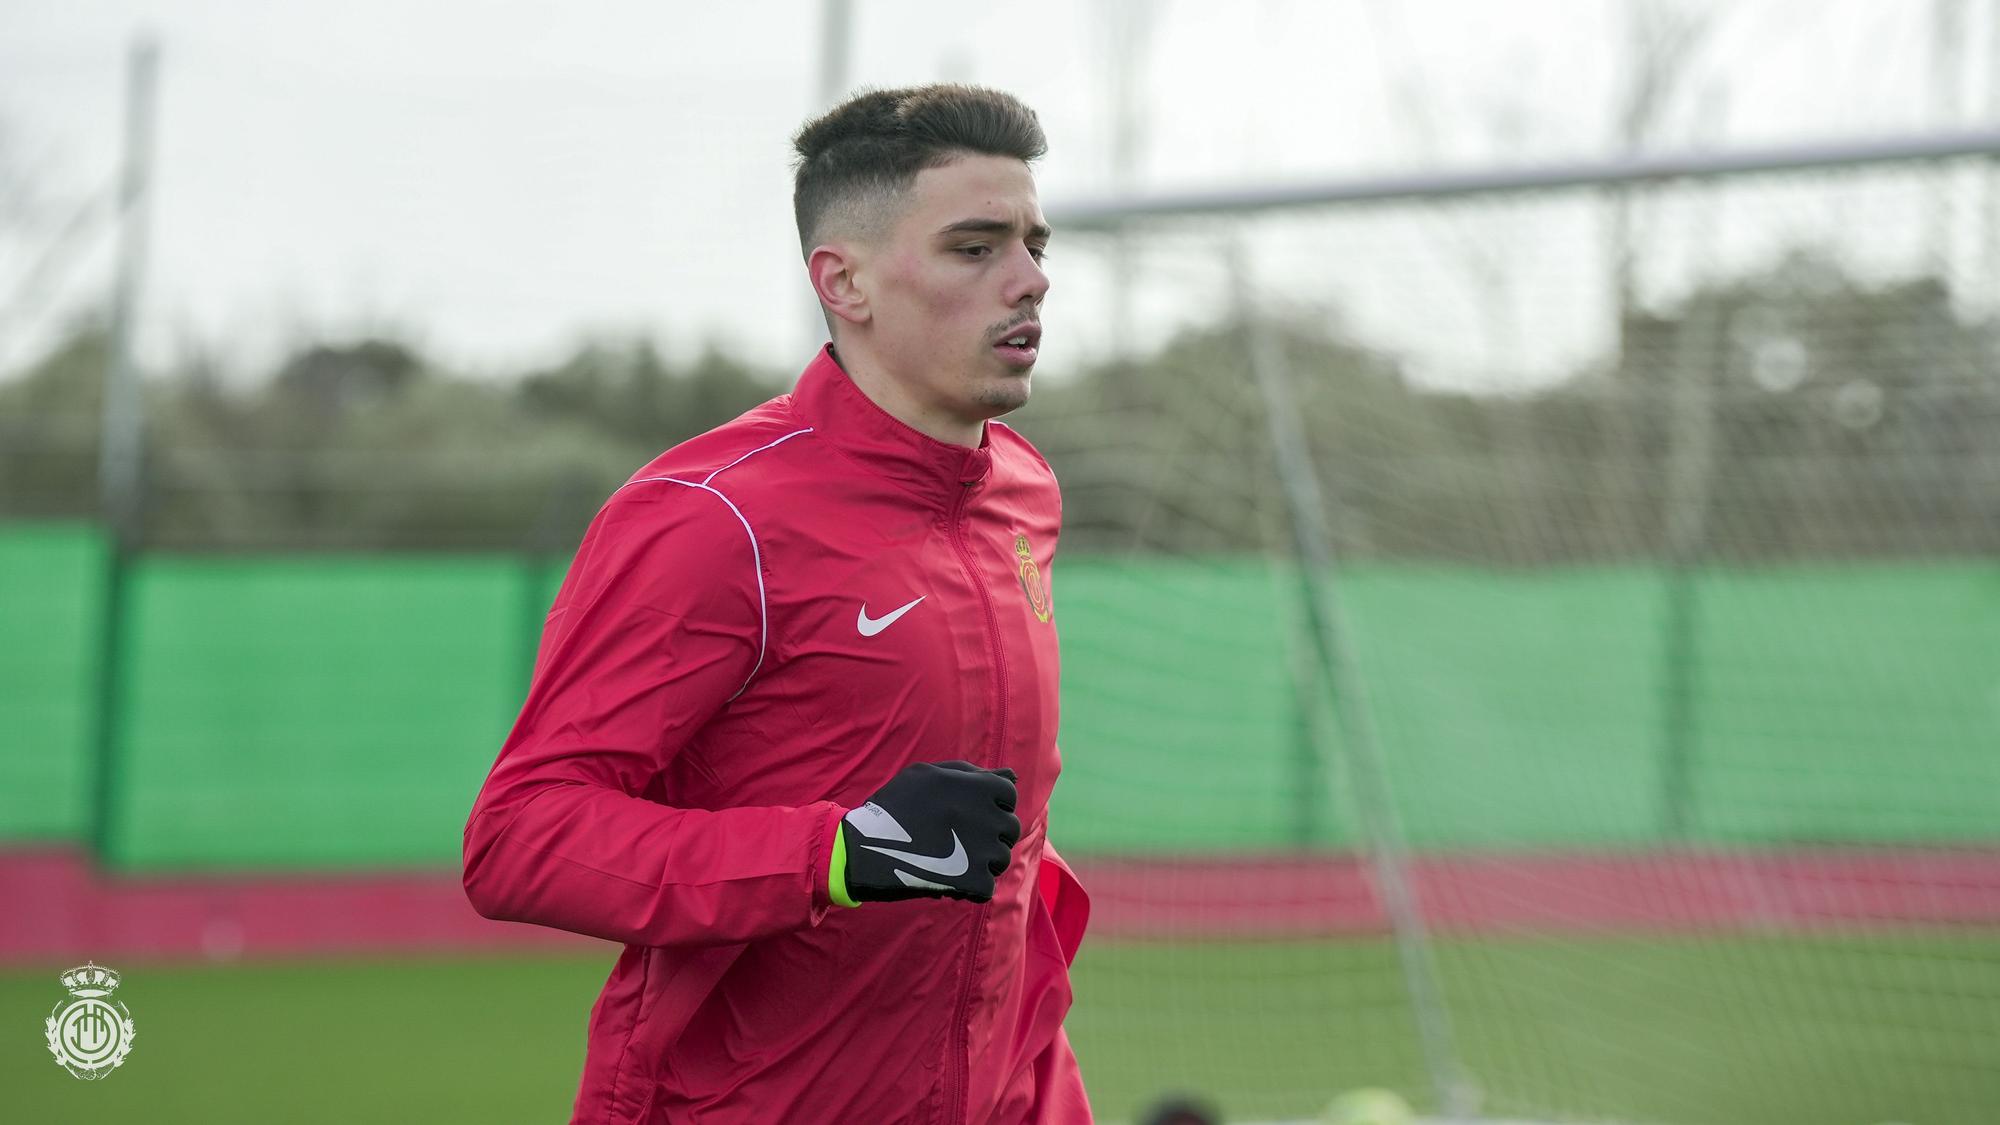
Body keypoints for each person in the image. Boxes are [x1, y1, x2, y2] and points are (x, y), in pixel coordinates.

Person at [463, 83, 1091, 1125]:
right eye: (974, 248)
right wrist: (833, 854)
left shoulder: (1022, 493)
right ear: (841, 282)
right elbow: (520, 839)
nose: (1029, 281)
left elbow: (1010, 864)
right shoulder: (710, 520)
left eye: (1033, 243)